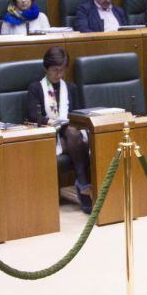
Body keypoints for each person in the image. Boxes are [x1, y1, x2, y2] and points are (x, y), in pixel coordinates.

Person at [26, 46, 92, 213]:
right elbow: (34, 117)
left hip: (70, 132)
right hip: (50, 134)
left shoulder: (70, 88)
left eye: (62, 70)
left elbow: (78, 114)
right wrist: (54, 122)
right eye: (55, 70)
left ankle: (83, 183)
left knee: (73, 133)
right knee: (74, 136)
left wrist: (68, 122)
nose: (59, 75)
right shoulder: (35, 88)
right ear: (45, 68)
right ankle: (84, 184)